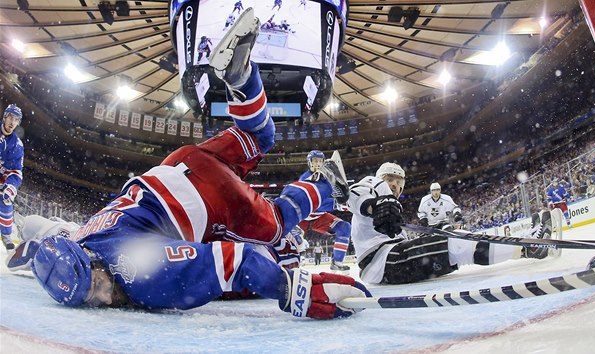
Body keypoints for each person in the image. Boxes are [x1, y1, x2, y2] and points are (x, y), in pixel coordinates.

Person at [26, 8, 370, 319]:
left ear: (93, 262)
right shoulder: (80, 235)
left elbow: (237, 260)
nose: (103, 297)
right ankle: (243, 80)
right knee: (260, 137)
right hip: (178, 163)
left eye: (96, 284)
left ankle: (324, 185)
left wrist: (300, 293)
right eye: (91, 297)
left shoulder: (135, 273)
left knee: (278, 225)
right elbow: (41, 238)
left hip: (207, 199)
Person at [347, 162, 555, 285]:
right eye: (389, 178)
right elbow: (354, 195)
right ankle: (529, 248)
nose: (394, 184)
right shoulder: (372, 185)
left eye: (399, 182)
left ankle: (524, 244)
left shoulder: (392, 207)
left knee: (451, 236)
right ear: (379, 178)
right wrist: (372, 206)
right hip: (381, 263)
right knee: (453, 243)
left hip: (389, 261)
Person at [297, 150, 352, 272]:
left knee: (345, 227)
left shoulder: (327, 179)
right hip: (301, 219)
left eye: (320, 161)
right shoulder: (306, 179)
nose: (317, 163)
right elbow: (314, 203)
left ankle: (337, 262)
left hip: (318, 218)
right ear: (309, 162)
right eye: (315, 161)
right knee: (294, 243)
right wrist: (337, 204)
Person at [0, 104, 24, 250]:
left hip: (2, 179)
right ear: (4, 117)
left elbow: (16, 171)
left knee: (6, 200)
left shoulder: (17, 145)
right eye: (10, 117)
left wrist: (10, 187)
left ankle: (6, 235)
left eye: (16, 120)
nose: (12, 122)